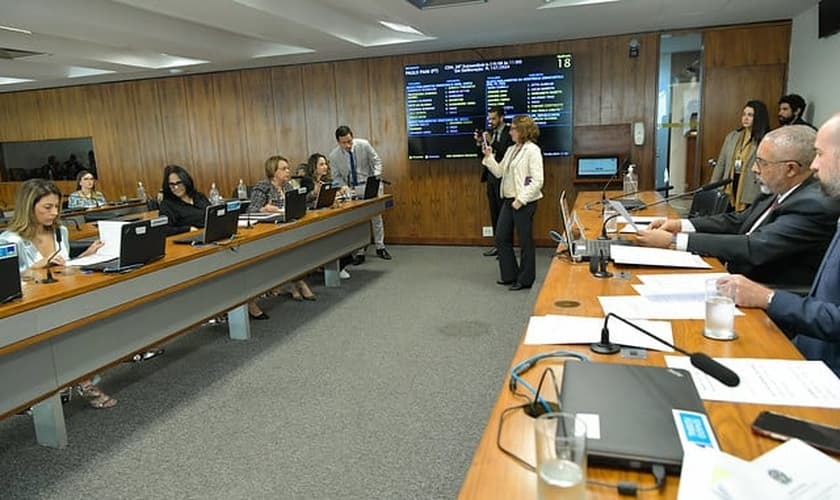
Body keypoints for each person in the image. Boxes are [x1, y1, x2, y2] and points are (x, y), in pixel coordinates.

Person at [637, 125, 840, 289]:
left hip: (764, 293)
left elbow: (755, 247)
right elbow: (737, 221)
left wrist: (674, 241)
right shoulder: (779, 191)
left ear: (790, 169)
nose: (753, 168)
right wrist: (680, 225)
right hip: (732, 280)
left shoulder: (814, 204)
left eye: (761, 162)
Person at [717, 112, 840, 377]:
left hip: (826, 373)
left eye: (820, 154)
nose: (814, 165)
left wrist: (768, 298)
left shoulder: (818, 204)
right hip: (803, 353)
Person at [0, 179, 114, 408]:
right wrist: (34, 268)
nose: (54, 213)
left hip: (62, 299)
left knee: (81, 331)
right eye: (47, 208)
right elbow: (7, 282)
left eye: (57, 206)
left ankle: (78, 380)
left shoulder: (60, 231)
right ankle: (79, 384)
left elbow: (63, 266)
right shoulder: (10, 240)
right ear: (29, 207)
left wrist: (84, 256)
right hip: (29, 310)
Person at [159, 164, 269, 319]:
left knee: (238, 263)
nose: (176, 187)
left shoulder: (199, 197)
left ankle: (244, 301)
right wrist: (187, 229)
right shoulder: (167, 205)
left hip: (213, 239)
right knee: (227, 268)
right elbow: (165, 230)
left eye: (179, 183)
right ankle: (244, 304)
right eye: (171, 184)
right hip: (191, 247)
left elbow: (213, 215)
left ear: (186, 181)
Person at [481, 115, 544, 290]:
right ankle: (509, 275)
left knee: (525, 242)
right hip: (509, 200)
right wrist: (489, 157)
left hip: (524, 201)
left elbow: (538, 180)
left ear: (522, 131)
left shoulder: (532, 150)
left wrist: (521, 199)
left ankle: (525, 280)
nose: (510, 132)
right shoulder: (511, 149)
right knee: (501, 237)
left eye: (513, 129)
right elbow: (500, 172)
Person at [249, 155, 317, 301]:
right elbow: (251, 210)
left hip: (288, 227)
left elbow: (298, 202)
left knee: (300, 247)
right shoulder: (263, 187)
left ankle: (295, 281)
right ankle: (296, 282)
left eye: (288, 168)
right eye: (284, 169)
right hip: (270, 232)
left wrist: (314, 194)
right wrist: (264, 209)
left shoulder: (288, 186)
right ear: (273, 171)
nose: (288, 171)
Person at [328, 125, 392, 260]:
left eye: (349, 141)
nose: (348, 145)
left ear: (352, 137)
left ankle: (380, 247)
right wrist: (343, 186)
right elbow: (336, 176)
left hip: (369, 184)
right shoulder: (334, 156)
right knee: (358, 220)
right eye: (344, 143)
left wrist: (375, 176)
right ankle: (360, 251)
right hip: (352, 188)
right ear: (338, 142)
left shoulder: (364, 145)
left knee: (376, 217)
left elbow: (376, 161)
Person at [709, 100, 771, 210]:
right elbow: (721, 164)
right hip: (730, 183)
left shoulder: (766, 139)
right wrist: (713, 186)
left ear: (759, 117)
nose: (745, 118)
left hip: (750, 186)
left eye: (750, 115)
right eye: (744, 114)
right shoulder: (732, 136)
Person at [475, 106, 514, 257]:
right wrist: (480, 143)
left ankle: (506, 249)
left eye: (493, 118)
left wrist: (492, 142)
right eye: (489, 118)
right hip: (491, 178)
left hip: (504, 179)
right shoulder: (488, 133)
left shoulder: (510, 132)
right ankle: (498, 246)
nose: (490, 121)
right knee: (494, 214)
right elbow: (484, 157)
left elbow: (506, 152)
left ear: (501, 118)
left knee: (505, 217)